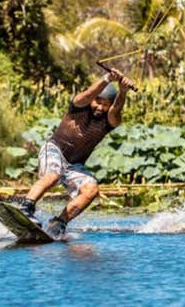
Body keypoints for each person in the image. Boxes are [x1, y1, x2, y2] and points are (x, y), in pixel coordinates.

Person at [19, 68, 135, 238]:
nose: (100, 107)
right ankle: (26, 207)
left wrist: (123, 92)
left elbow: (116, 111)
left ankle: (59, 222)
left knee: (91, 190)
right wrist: (107, 79)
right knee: (53, 174)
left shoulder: (109, 121)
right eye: (98, 102)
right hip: (55, 150)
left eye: (105, 104)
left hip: (75, 165)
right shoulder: (78, 107)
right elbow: (86, 96)